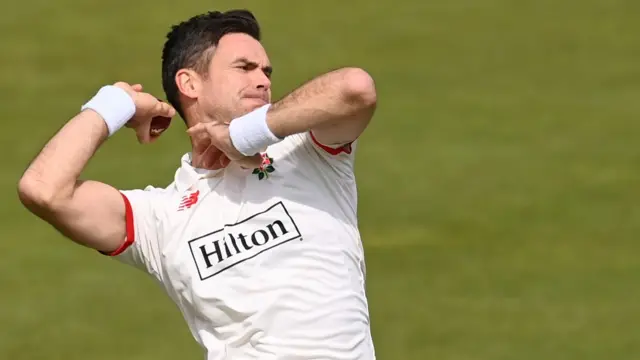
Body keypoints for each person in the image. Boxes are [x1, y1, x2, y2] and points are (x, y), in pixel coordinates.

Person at [18, 9, 378, 360]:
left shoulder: (309, 155)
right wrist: (117, 102)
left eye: (266, 70)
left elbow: (355, 88)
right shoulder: (157, 220)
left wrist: (243, 135)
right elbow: (43, 190)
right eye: (244, 68)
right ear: (189, 83)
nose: (264, 80)